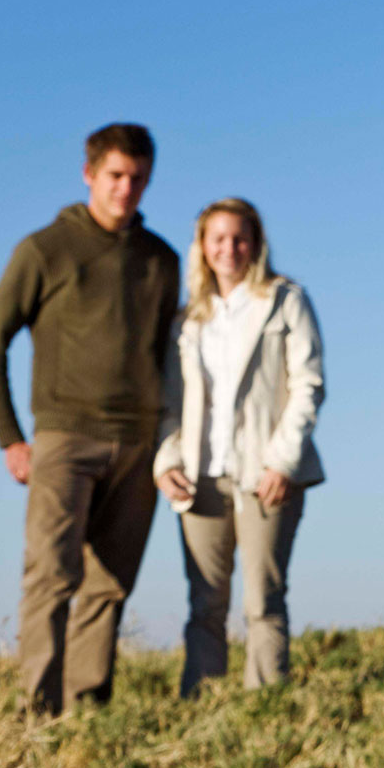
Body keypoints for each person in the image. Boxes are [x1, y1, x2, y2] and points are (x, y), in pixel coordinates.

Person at [0, 123, 180, 715]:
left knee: (109, 583)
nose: (126, 189)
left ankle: (89, 711)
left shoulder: (162, 259)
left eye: (138, 178)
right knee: (51, 577)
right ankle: (35, 714)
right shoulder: (44, 249)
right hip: (64, 437)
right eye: (115, 176)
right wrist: (10, 439)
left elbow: (168, 360)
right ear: (89, 174)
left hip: (137, 445)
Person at [153, 197, 325, 696]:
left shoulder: (286, 299)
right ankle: (200, 704)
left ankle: (265, 705)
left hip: (269, 474)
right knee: (204, 603)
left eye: (239, 237)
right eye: (218, 238)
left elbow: (308, 384)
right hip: (199, 476)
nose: (229, 248)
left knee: (262, 600)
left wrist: (282, 461)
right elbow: (168, 403)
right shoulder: (187, 320)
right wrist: (166, 462)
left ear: (256, 242)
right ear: (203, 247)